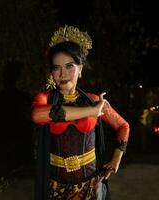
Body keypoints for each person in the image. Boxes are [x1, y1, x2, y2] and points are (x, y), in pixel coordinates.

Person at [31, 25, 130, 200]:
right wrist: (91, 111)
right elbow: (37, 115)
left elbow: (123, 126)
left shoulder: (93, 100)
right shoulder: (45, 98)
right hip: (56, 188)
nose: (62, 74)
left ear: (81, 69)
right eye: (56, 67)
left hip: (91, 186)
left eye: (69, 66)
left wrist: (116, 158)